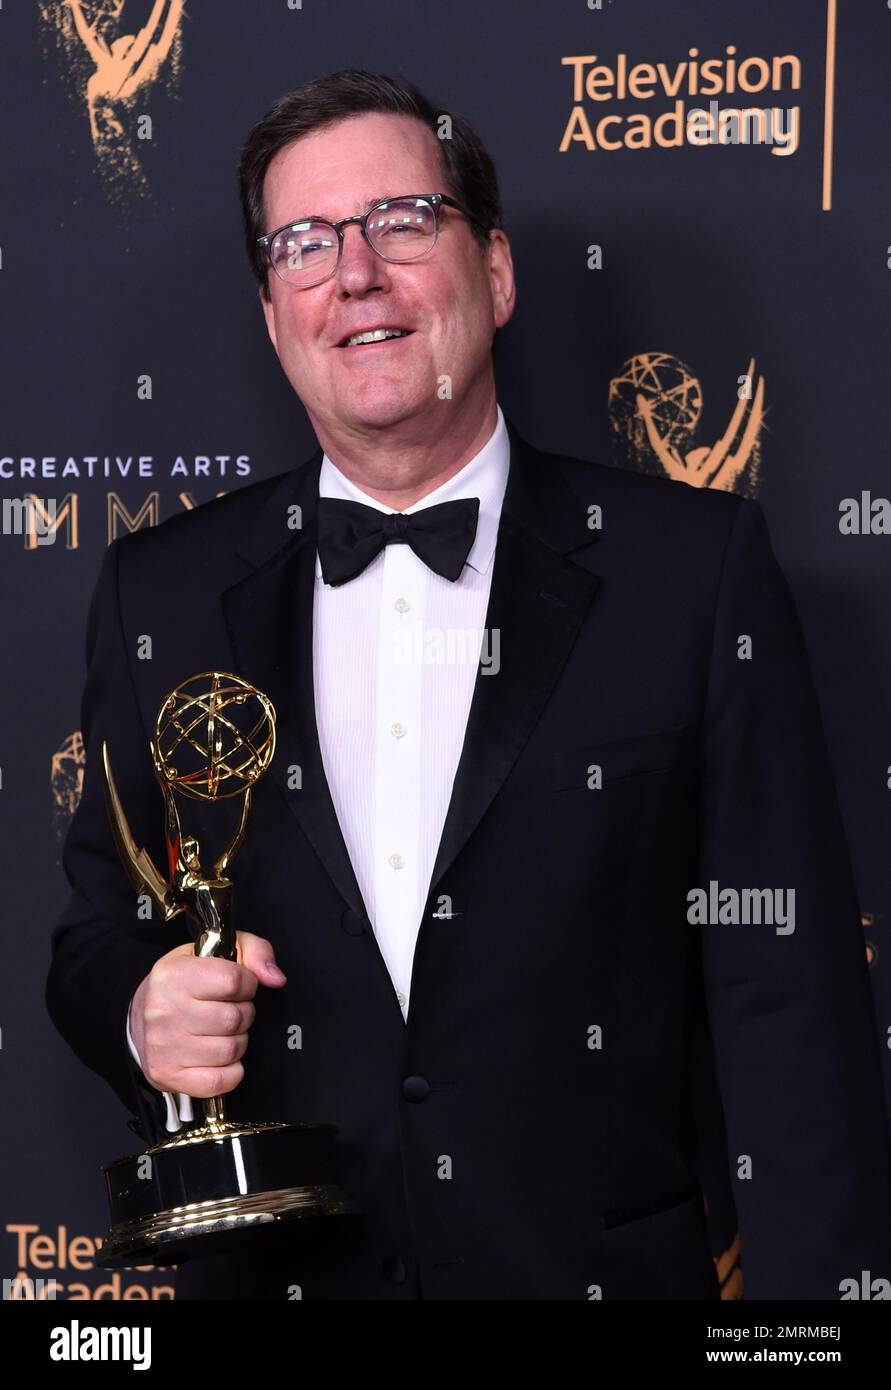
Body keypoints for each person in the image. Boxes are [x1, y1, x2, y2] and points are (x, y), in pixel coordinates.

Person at [47, 67, 891, 1301]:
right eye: (305, 244)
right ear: (274, 310)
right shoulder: (157, 595)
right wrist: (138, 1012)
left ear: (494, 273)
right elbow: (95, 933)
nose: (355, 275)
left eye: (401, 222)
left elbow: (793, 1017)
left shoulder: (691, 574)